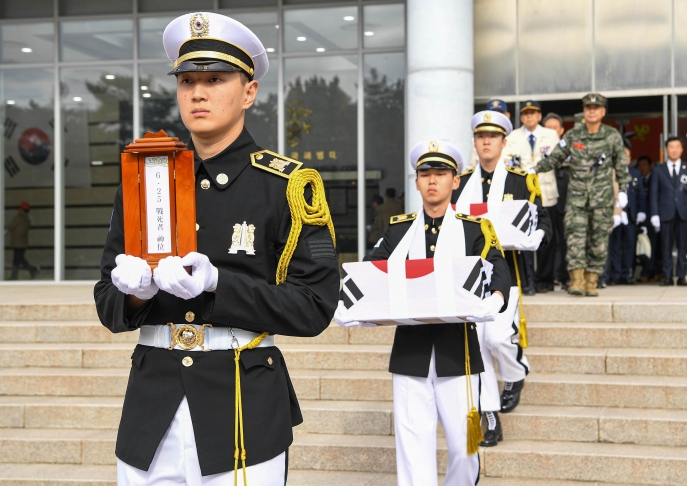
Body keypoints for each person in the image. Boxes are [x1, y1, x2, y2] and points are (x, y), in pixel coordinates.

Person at [93, 13, 340, 485]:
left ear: (249, 91)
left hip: (240, 407)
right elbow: (107, 302)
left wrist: (219, 285)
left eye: (215, 79)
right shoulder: (147, 179)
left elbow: (314, 307)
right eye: (187, 81)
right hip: (152, 406)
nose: (198, 93)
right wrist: (135, 293)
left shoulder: (285, 186)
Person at [337, 139, 511, 486]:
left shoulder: (473, 229)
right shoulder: (399, 229)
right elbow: (373, 270)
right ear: (416, 181)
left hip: (458, 351)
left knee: (466, 447)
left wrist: (495, 298)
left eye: (441, 173)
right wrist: (351, 304)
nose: (433, 180)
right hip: (410, 352)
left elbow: (498, 267)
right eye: (425, 174)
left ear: (455, 181)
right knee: (413, 446)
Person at [453, 110, 551, 438]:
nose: (485, 141)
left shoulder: (521, 181)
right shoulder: (461, 183)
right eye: (481, 136)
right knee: (476, 346)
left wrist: (534, 236)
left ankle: (516, 370)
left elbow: (543, 222)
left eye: (492, 136)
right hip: (466, 277)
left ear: (503, 142)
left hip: (504, 273)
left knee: (497, 337)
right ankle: (489, 416)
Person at [534, 93, 630, 297]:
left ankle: (592, 281)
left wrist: (622, 190)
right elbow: (555, 159)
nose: (592, 111)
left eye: (596, 108)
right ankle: (576, 280)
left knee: (598, 241)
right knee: (575, 239)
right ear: (584, 112)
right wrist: (533, 170)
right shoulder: (572, 136)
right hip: (576, 199)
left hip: (601, 199)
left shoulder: (612, 136)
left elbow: (621, 165)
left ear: (603, 112)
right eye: (588, 108)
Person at [503, 101, 560, 293]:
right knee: (523, 236)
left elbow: (558, 159)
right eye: (525, 113)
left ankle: (545, 279)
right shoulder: (511, 137)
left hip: (546, 191)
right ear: (521, 117)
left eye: (533, 113)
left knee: (547, 237)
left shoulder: (550, 135)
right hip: (522, 194)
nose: (529, 116)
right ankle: (528, 280)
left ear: (539, 115)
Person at [650, 137, 687, 286]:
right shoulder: (658, 170)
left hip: (683, 212)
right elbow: (654, 193)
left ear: (682, 149)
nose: (674, 150)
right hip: (665, 212)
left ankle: (682, 276)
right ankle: (667, 276)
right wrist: (654, 213)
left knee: (683, 245)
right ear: (666, 150)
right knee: (666, 246)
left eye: (677, 147)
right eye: (671, 147)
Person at [607, 142, 646, 284]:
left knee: (630, 245)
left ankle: (627, 274)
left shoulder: (635, 173)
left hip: (631, 214)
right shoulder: (610, 172)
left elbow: (641, 194)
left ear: (630, 158)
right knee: (615, 245)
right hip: (615, 214)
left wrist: (642, 212)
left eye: (627, 156)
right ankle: (615, 274)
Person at [542, 113, 569, 290]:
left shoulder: (569, 145)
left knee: (567, 240)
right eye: (548, 128)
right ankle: (548, 279)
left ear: (561, 130)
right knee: (549, 240)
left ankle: (567, 277)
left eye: (554, 128)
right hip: (548, 198)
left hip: (567, 197)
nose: (551, 131)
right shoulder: (540, 146)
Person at [6, 202, 38, 280]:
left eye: (19, 208)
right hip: (22, 243)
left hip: (17, 243)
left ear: (22, 210)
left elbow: (11, 226)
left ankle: (33, 270)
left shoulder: (19, 217)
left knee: (19, 259)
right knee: (17, 260)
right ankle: (14, 276)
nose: (18, 210)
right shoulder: (27, 218)